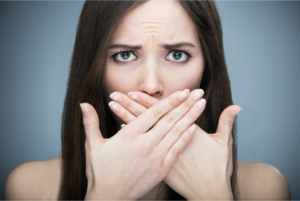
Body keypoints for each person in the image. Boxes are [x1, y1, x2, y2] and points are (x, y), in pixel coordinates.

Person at [4, 0, 290, 200]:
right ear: (94, 70)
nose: (151, 85)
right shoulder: (30, 188)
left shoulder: (265, 189)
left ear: (208, 68)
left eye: (177, 54)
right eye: (125, 55)